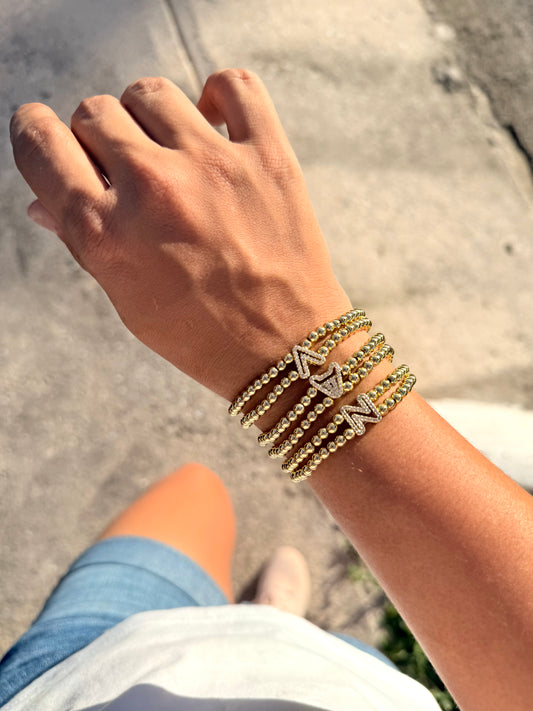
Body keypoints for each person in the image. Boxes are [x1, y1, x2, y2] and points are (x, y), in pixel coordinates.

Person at [2, 68, 532, 711]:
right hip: (347, 685)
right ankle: (275, 624)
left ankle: (266, 626)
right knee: (204, 501)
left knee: (196, 491)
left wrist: (290, 338)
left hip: (82, 674)